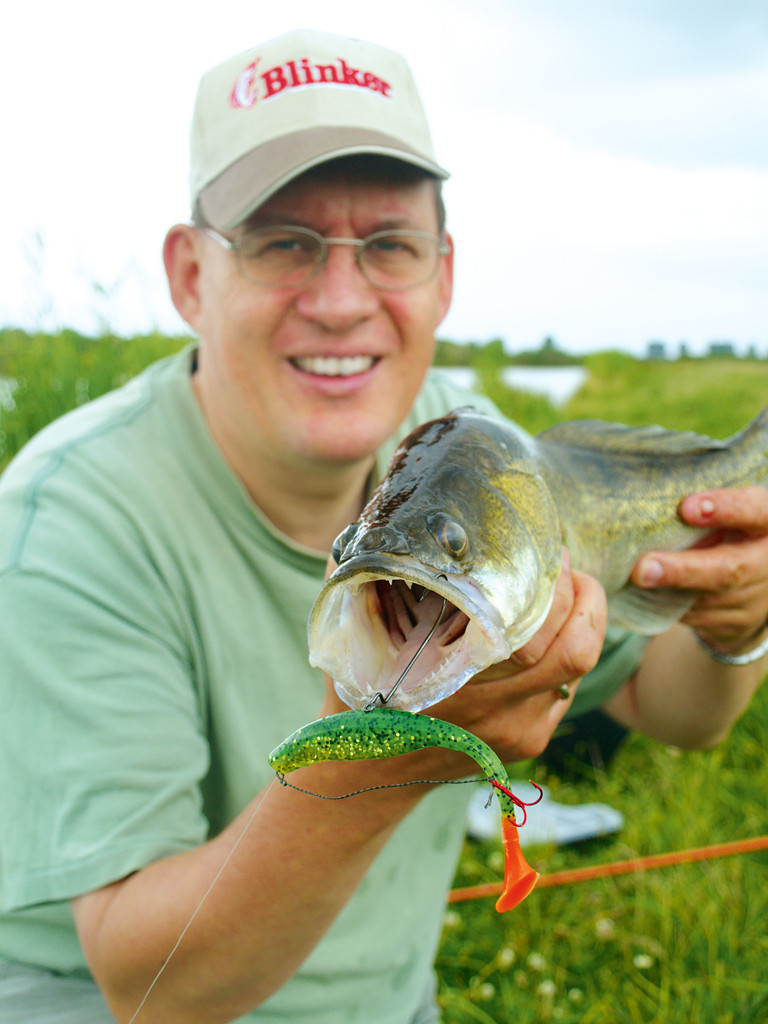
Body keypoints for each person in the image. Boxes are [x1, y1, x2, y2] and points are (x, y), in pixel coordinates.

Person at [1, 28, 767, 1024]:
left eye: (389, 246)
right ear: (190, 275)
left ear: (443, 275)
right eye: (285, 241)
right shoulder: (64, 528)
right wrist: (376, 765)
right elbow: (155, 983)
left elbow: (682, 714)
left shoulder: (474, 445)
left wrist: (738, 616)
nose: (339, 299)